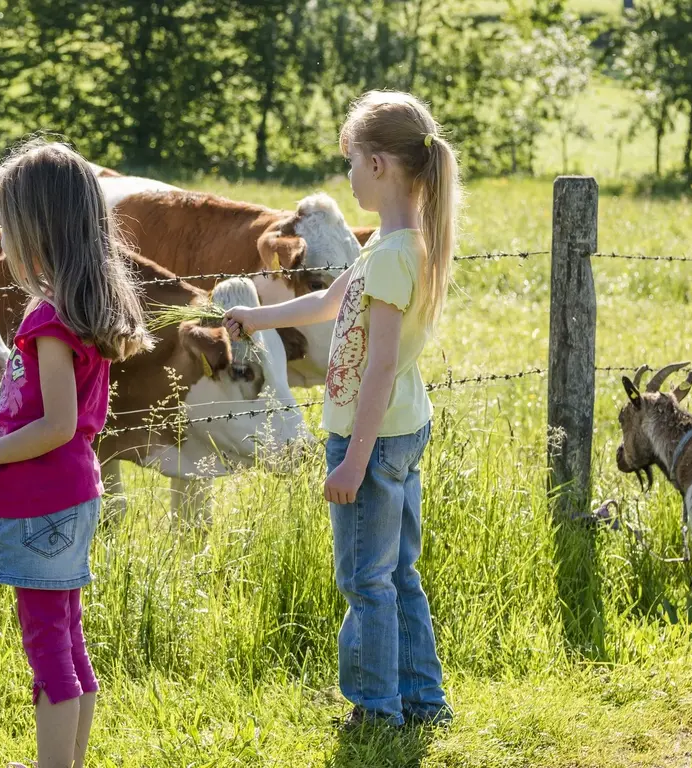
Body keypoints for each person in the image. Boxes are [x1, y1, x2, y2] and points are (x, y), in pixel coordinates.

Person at [225, 90, 463, 729]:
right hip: (403, 427)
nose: (349, 173)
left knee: (366, 580)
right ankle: (423, 700)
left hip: (372, 438)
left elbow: (379, 365)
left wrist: (352, 462)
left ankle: (375, 710)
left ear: (380, 165)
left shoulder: (390, 256)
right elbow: (333, 299)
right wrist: (258, 316)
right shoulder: (400, 244)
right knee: (399, 574)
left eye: (352, 159)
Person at [0, 140, 153, 767]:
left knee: (49, 647)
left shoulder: (49, 317)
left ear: (35, 230)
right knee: (68, 639)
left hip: (39, 499)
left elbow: (56, 424)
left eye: (8, 225)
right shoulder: (81, 309)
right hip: (70, 492)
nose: (4, 242)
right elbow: (53, 401)